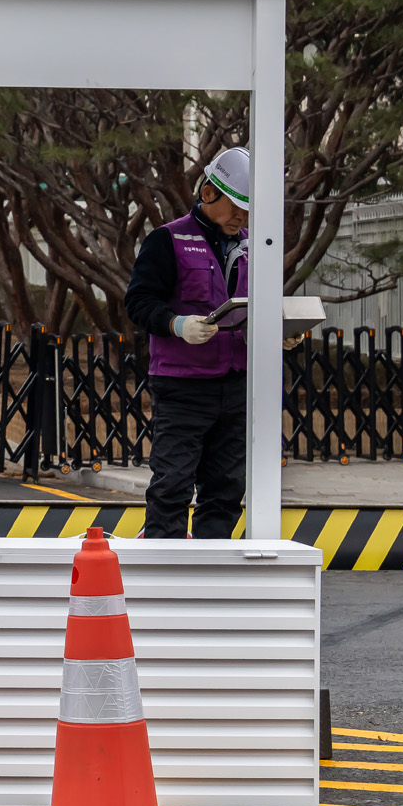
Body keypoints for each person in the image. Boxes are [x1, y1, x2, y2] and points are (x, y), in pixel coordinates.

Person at [123, 146, 252, 540]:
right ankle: (165, 566)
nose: (241, 217)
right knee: (173, 484)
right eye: (236, 206)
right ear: (209, 193)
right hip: (183, 386)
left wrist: (281, 332)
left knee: (226, 489)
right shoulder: (168, 240)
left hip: (236, 384)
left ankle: (211, 569)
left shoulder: (254, 246)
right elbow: (139, 301)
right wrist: (176, 324)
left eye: (248, 210)